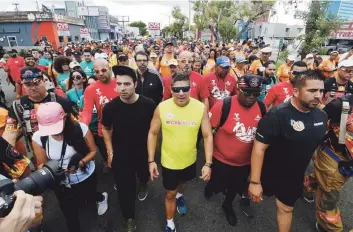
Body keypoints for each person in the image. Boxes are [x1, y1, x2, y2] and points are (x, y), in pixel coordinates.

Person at [248, 70, 328, 232]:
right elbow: (259, 148)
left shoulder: (321, 116)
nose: (318, 95)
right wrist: (254, 182)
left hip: (293, 176)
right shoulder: (277, 116)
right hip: (267, 171)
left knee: (286, 209)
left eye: (321, 90)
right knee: (251, 194)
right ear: (296, 91)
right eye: (312, 91)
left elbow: (315, 144)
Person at [147, 72, 213, 232]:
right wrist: (151, 160)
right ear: (171, 89)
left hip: (189, 159)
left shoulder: (200, 107)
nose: (181, 93)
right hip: (169, 162)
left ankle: (179, 196)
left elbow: (207, 135)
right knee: (169, 193)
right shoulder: (162, 107)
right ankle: (170, 223)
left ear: (190, 88)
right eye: (177, 89)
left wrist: (208, 163)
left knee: (183, 184)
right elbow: (153, 133)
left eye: (185, 88)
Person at [32, 102, 108, 232]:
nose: (53, 132)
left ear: (65, 118)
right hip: (61, 182)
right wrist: (53, 171)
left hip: (85, 175)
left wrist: (81, 162)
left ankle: (101, 197)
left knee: (88, 196)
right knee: (68, 211)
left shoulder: (80, 129)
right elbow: (40, 164)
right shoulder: (39, 138)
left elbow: (93, 151)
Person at [205, 74, 266, 226]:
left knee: (235, 186)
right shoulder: (224, 105)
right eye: (247, 93)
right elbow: (207, 131)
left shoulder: (262, 108)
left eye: (256, 93)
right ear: (238, 89)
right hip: (220, 159)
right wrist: (208, 161)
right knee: (216, 180)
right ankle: (211, 185)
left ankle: (227, 204)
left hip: (244, 162)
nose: (252, 97)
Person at [102, 66, 156, 231]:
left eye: (127, 84)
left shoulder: (148, 104)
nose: (122, 88)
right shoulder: (111, 107)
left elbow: (154, 131)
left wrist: (152, 157)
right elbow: (105, 128)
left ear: (135, 84)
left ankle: (143, 183)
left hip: (143, 152)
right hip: (121, 155)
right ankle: (129, 217)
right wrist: (110, 152)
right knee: (125, 190)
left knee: (143, 176)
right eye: (119, 84)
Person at [303, 95, 353, 232]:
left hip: (346, 163)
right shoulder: (341, 105)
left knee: (323, 180)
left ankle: (307, 186)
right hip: (335, 157)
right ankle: (329, 227)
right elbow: (318, 123)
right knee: (329, 195)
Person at [2, 67, 77, 152]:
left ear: (44, 81)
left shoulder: (59, 101)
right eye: (28, 85)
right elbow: (10, 132)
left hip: (64, 147)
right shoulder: (18, 106)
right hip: (38, 150)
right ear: (23, 85)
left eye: (36, 83)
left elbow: (76, 125)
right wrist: (5, 152)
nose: (33, 88)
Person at [80, 59, 118, 174]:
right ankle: (117, 178)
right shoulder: (91, 89)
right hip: (105, 131)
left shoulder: (120, 83)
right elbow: (87, 111)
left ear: (110, 69)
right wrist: (82, 126)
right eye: (97, 72)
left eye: (103, 70)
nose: (100, 73)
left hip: (123, 128)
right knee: (111, 159)